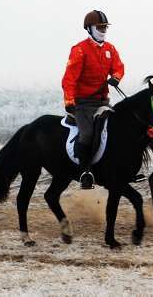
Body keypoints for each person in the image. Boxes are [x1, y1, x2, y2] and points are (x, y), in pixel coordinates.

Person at [62, 10, 124, 189]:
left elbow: (119, 67)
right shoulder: (80, 50)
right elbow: (69, 79)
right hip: (82, 104)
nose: (103, 30)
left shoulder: (110, 49)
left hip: (103, 102)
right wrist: (69, 102)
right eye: (99, 27)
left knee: (119, 128)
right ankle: (85, 172)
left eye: (105, 27)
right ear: (89, 28)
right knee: (88, 134)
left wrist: (116, 77)